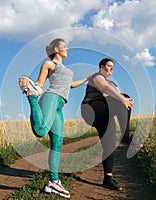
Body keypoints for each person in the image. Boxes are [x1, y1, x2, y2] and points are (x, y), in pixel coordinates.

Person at [18, 38, 93, 199]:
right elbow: (39, 83)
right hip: (51, 98)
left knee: (57, 144)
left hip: (60, 104)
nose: (67, 49)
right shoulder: (49, 64)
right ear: (57, 50)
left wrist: (87, 78)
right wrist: (31, 88)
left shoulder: (65, 69)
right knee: (40, 130)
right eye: (64, 47)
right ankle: (31, 97)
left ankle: (53, 182)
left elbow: (71, 85)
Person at [80, 58, 134, 190]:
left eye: (112, 67)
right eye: (108, 66)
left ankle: (107, 179)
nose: (111, 69)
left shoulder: (112, 83)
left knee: (109, 144)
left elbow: (112, 94)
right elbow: (104, 88)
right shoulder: (97, 76)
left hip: (104, 113)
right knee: (123, 97)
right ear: (102, 67)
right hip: (91, 109)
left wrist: (125, 101)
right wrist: (123, 99)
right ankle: (125, 136)